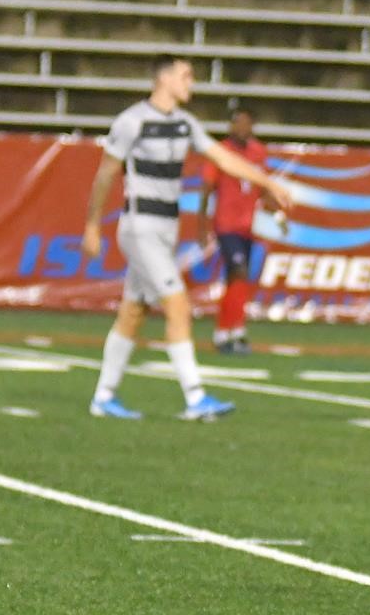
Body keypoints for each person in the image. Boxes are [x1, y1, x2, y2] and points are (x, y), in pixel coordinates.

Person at [83, 55, 293, 421]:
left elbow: (224, 159)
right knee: (178, 305)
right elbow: (105, 174)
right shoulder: (132, 121)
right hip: (140, 227)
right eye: (185, 76)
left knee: (133, 311)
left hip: (165, 229)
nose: (190, 83)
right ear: (163, 79)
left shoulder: (184, 124)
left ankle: (104, 397)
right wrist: (92, 224)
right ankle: (195, 397)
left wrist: (267, 181)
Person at [199, 108, 268, 355]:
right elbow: (207, 187)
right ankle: (235, 330)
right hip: (226, 224)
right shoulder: (221, 152)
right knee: (239, 272)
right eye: (238, 124)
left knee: (236, 279)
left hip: (246, 226)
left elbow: (261, 186)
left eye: (247, 124)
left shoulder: (258, 152)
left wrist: (275, 209)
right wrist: (201, 224)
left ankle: (225, 332)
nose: (242, 129)